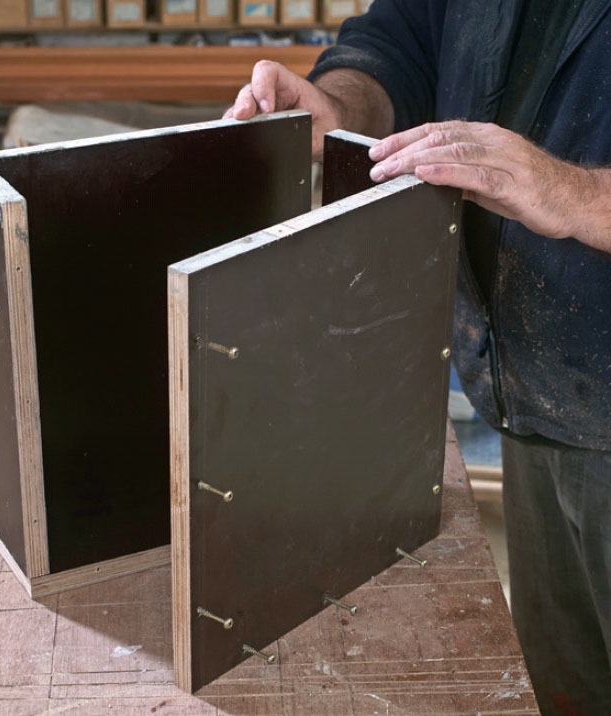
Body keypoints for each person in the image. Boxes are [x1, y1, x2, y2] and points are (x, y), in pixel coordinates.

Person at [225, 2, 611, 714]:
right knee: (566, 689)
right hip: (531, 396)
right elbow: (405, 35)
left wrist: (579, 194)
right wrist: (341, 105)